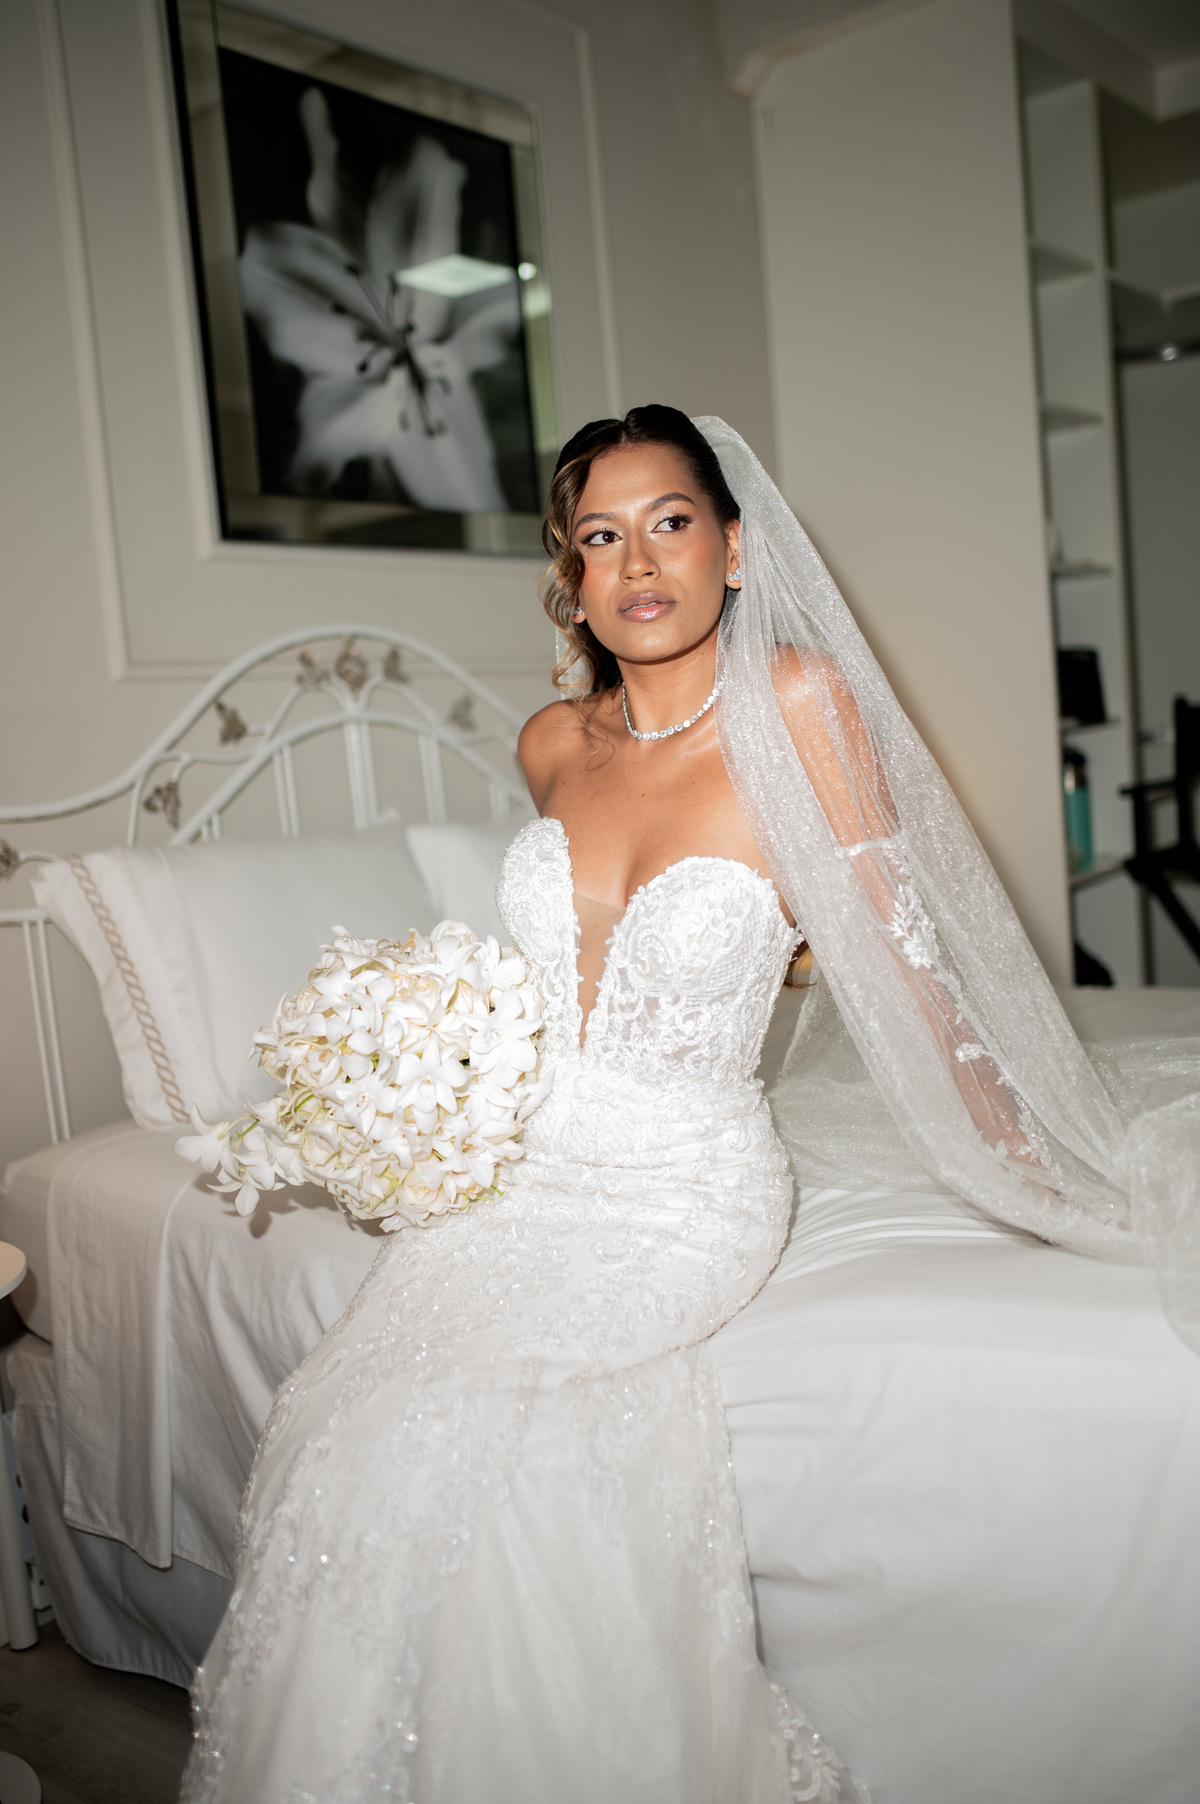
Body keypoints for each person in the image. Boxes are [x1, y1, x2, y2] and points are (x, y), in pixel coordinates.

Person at [182, 407, 1195, 1803]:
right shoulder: (550, 742)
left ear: (735, 544)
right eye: (600, 537)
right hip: (515, 1179)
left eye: (670, 522)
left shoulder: (802, 709)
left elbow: (909, 966)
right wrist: (431, 1081)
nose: (638, 562)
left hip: (678, 1193)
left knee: (484, 1427)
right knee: (343, 1419)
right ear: (572, 575)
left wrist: (1017, 1148)